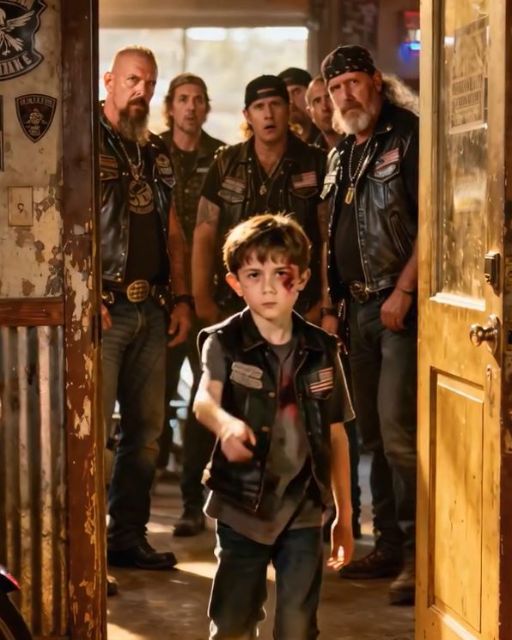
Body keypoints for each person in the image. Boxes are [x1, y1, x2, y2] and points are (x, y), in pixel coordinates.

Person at [193, 213, 355, 639]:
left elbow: (336, 434)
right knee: (233, 624)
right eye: (253, 275)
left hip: (303, 510)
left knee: (298, 627)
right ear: (235, 283)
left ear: (301, 279)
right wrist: (226, 425)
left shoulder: (322, 348)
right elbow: (204, 400)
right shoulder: (223, 341)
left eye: (280, 274)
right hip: (241, 508)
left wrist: (345, 515)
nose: (267, 287)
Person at [320, 44, 418, 605]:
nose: (346, 95)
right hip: (355, 311)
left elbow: (434, 222)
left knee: (399, 435)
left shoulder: (409, 135)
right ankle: (388, 547)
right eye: (337, 89)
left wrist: (404, 290)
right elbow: (333, 237)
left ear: (376, 81)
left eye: (353, 83)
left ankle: (420, 557)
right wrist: (332, 306)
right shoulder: (341, 153)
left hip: (396, 307)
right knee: (374, 438)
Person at [99, 46, 192, 570]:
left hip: (152, 308)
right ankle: (86, 549)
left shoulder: (155, 150)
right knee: (94, 437)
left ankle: (126, 538)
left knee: (147, 435)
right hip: (104, 309)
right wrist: (83, 296)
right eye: (133, 80)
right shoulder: (82, 138)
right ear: (109, 80)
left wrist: (182, 298)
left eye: (150, 83)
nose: (142, 91)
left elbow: (174, 229)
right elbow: (66, 220)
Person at [192, 74, 329, 329]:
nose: (268, 114)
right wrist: (202, 300)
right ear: (247, 115)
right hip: (234, 306)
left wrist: (325, 304)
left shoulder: (316, 162)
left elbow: (327, 237)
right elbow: (204, 233)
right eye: (259, 107)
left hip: (301, 305)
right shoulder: (225, 163)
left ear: (288, 109)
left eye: (275, 104)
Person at [158, 73, 224, 536]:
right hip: (159, 296)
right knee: (154, 403)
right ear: (170, 106)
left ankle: (192, 502)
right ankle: (141, 508)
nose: (190, 107)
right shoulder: (150, 150)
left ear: (206, 107)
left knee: (204, 401)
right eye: (183, 99)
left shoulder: (222, 156)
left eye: (198, 99)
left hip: (206, 298)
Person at [278, 67, 320, 144]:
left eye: (296, 92)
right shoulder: (280, 142)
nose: (291, 101)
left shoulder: (325, 136)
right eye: (285, 94)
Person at [305, 74, 343, 150]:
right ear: (310, 113)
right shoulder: (311, 154)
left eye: (329, 97)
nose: (325, 107)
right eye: (317, 101)